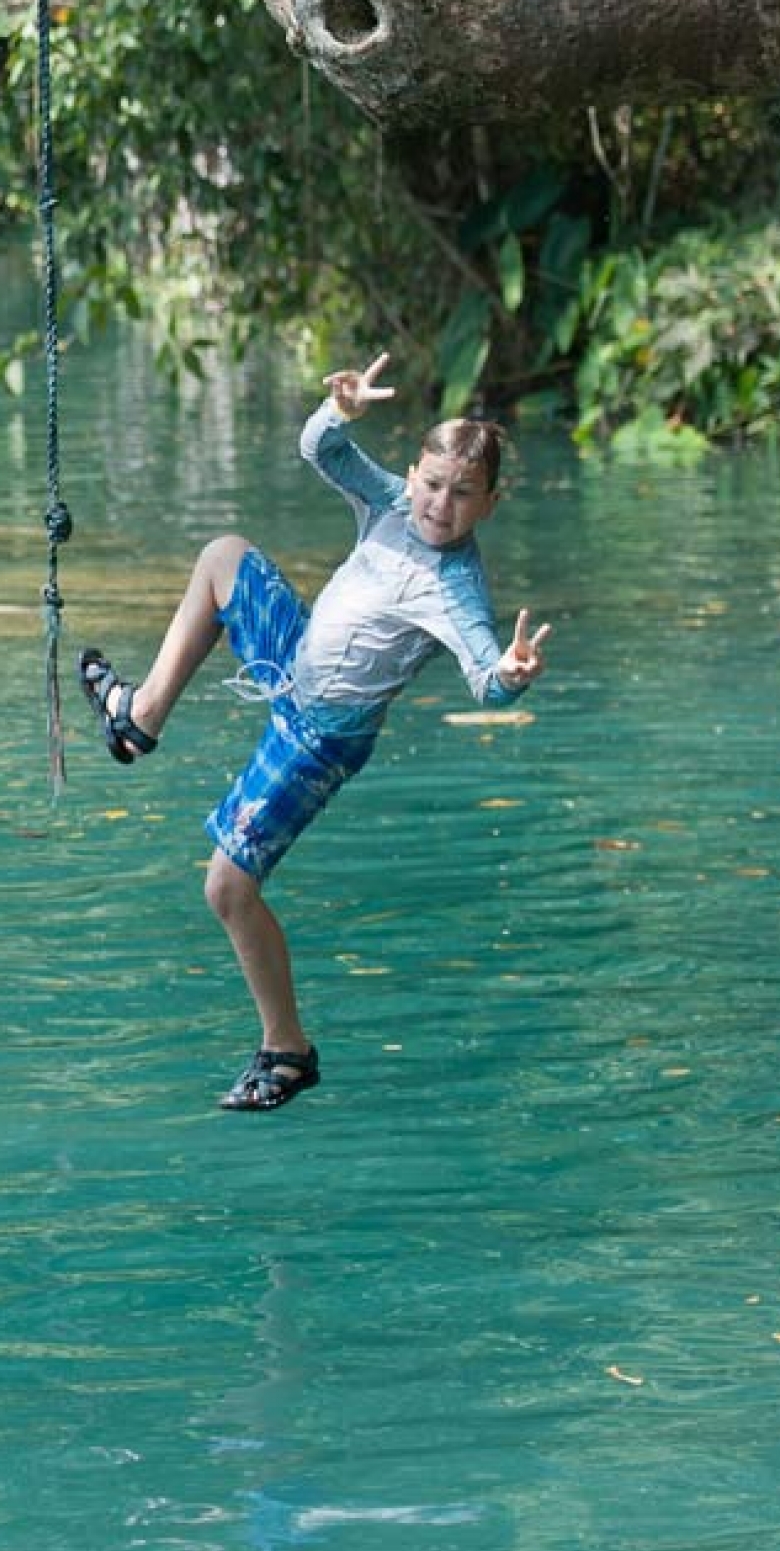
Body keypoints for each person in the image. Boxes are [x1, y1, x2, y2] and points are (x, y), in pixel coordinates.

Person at [78, 353, 551, 1111]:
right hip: (294, 662)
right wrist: (343, 411)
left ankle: (287, 1050)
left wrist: (511, 674)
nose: (439, 506)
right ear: (413, 473)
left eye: (462, 496)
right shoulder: (393, 502)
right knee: (221, 557)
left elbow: (482, 679)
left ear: (489, 504)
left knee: (226, 887)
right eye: (432, 484)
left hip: (320, 736)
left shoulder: (455, 586)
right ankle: (139, 718)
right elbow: (321, 452)